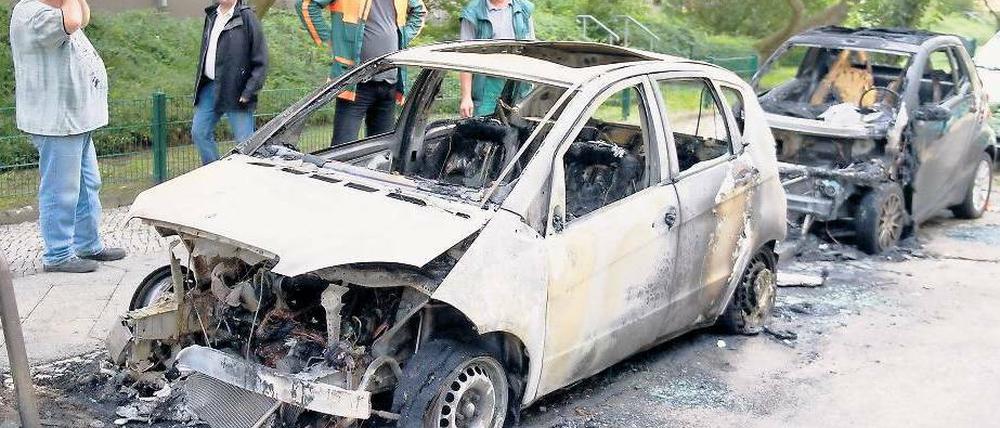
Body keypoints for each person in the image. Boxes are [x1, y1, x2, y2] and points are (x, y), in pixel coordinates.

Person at [10, 0, 127, 273]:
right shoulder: (32, 14)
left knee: (88, 185)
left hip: (75, 119)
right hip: (56, 121)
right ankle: (58, 254)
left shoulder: (53, 12)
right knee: (61, 190)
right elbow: (73, 21)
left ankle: (88, 244)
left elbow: (82, 16)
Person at [296, 0, 427, 146]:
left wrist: (402, 38)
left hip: (390, 83)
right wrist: (328, 38)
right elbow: (306, 5)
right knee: (342, 151)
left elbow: (420, 12)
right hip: (354, 85)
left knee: (381, 153)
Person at [192, 0, 268, 165]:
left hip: (237, 91)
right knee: (199, 133)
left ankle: (247, 181)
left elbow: (261, 60)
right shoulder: (212, 16)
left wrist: (249, 90)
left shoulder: (247, 17)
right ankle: (214, 173)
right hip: (210, 87)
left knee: (245, 144)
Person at [459, 0, 535, 118]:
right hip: (486, 83)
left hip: (519, 81)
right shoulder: (472, 12)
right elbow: (464, 58)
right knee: (484, 127)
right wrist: (466, 97)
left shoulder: (523, 8)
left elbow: (531, 49)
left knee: (521, 127)